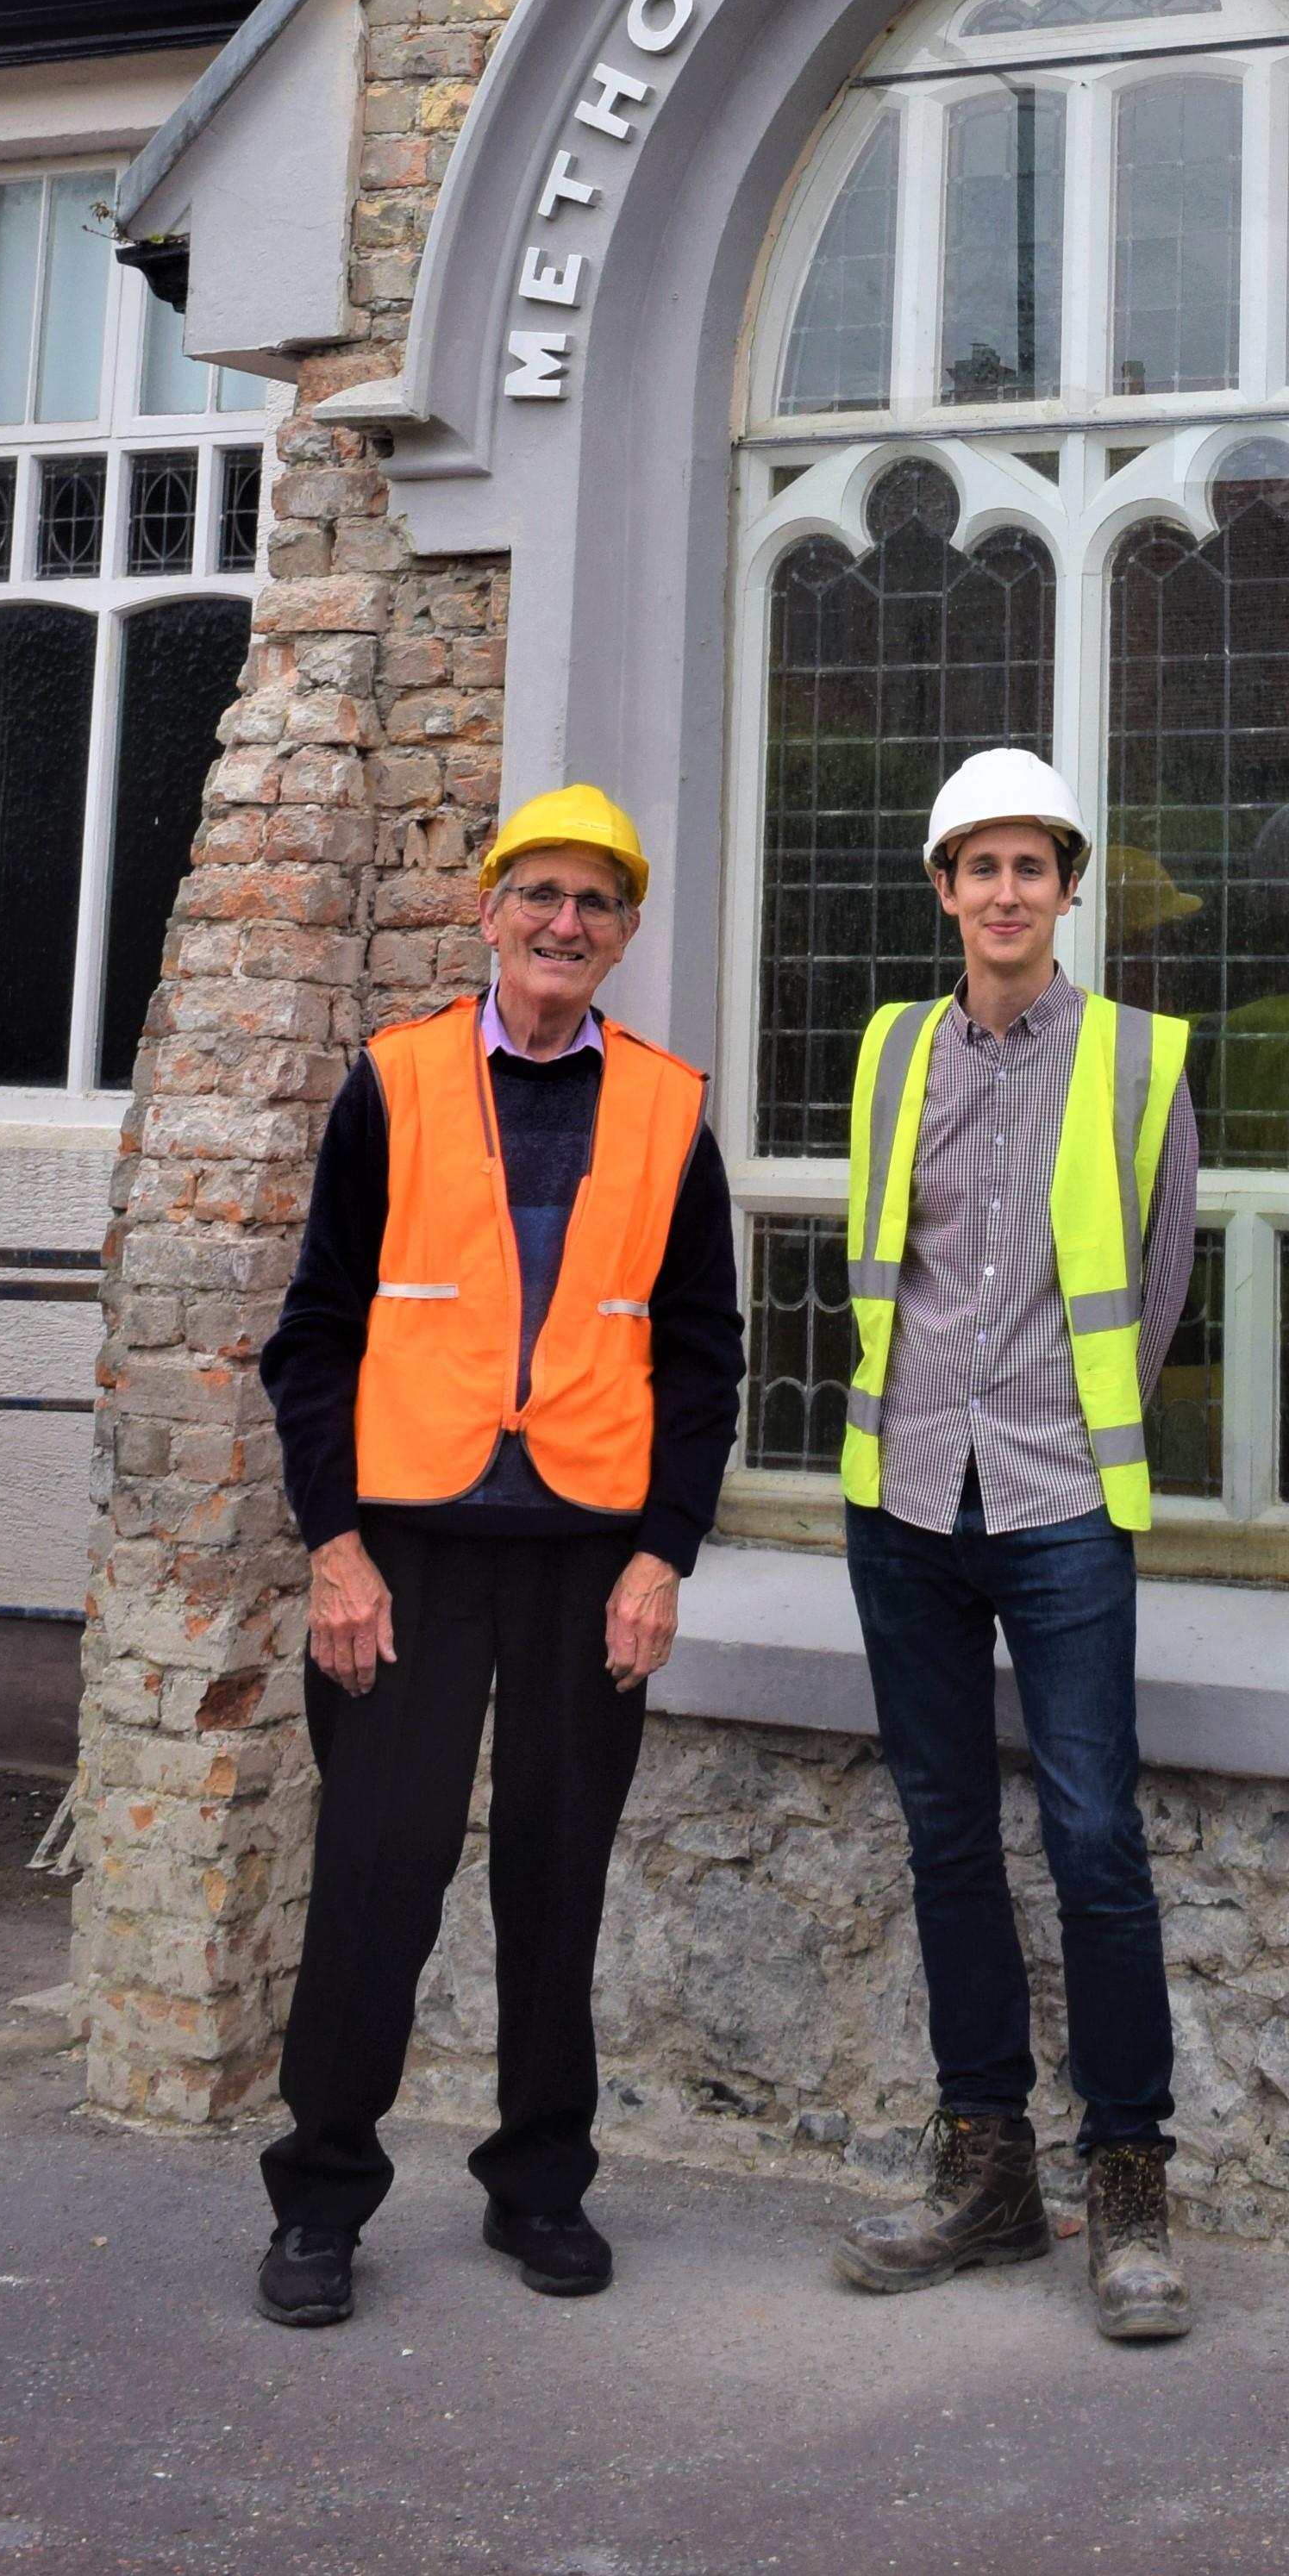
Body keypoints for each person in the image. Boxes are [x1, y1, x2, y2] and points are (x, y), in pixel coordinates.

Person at [249, 785, 743, 2329]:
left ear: (624, 933)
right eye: (539, 892)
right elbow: (316, 1334)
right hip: (402, 1552)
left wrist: (663, 1554)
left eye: (594, 903)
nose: (563, 923)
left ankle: (539, 2185)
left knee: (556, 1881)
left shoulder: (668, 1107)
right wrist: (334, 1546)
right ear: (488, 909)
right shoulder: (392, 1083)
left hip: (586, 1560)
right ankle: (320, 2201)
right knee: (375, 1883)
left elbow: (705, 1357)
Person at [830, 747, 1200, 2347]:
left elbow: (1164, 1274)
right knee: (943, 1834)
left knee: (1095, 1839)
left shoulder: (1135, 1054)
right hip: (905, 1495)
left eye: (1029, 866)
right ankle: (987, 2166)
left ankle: (1128, 2177)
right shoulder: (890, 1047)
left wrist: (1067, 1420)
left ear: (1067, 884)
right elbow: (878, 1254)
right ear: (942, 889)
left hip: (1059, 1498)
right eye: (975, 867)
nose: (1002, 893)